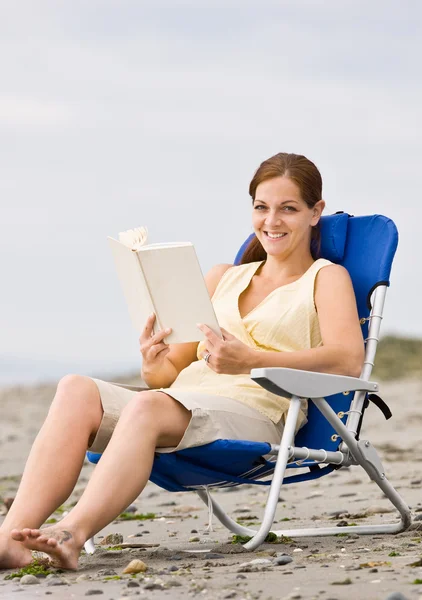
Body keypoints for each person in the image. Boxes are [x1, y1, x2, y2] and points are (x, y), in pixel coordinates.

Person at [0, 152, 364, 570]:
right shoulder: (222, 277)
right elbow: (169, 375)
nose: (271, 221)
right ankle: (11, 537)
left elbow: (348, 361)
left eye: (288, 209)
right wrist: (153, 362)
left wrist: (250, 360)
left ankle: (71, 534)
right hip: (182, 403)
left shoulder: (325, 277)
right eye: (261, 207)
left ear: (315, 212)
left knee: (148, 405)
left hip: (258, 410)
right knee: (75, 388)